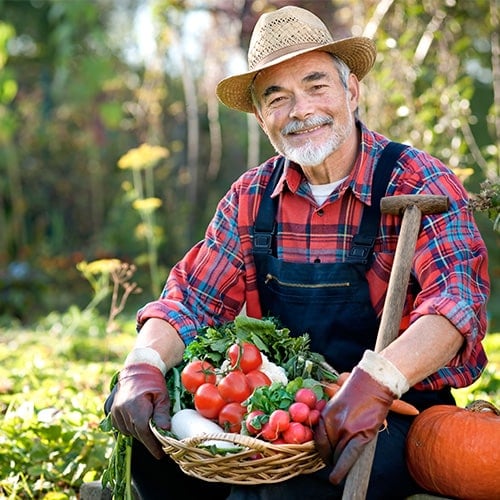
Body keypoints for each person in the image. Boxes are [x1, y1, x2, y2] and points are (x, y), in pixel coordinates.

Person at [107, 5, 490, 500]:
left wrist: (378, 381)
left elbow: (456, 303)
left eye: (316, 85)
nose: (300, 110)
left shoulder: (418, 181)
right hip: (281, 407)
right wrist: (142, 363)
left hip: (391, 409)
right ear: (262, 117)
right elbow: (192, 301)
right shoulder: (251, 196)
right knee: (143, 429)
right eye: (277, 97)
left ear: (350, 91)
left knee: (287, 493)